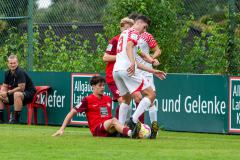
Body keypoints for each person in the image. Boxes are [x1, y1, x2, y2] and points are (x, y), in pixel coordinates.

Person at [113, 15, 166, 139]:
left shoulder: (123, 34)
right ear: (138, 23)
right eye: (144, 26)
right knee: (151, 95)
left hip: (117, 71)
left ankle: (122, 129)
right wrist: (132, 62)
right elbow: (129, 47)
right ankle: (133, 120)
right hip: (128, 69)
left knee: (126, 99)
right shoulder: (134, 32)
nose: (144, 30)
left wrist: (153, 70)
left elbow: (138, 55)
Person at [52, 76, 134, 138]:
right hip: (97, 130)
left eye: (103, 85)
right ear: (93, 86)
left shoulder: (108, 98)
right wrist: (61, 129)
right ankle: (131, 133)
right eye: (100, 85)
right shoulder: (87, 100)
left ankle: (134, 133)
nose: (102, 88)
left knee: (124, 120)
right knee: (114, 120)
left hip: (109, 127)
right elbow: (72, 112)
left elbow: (123, 103)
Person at [129, 13, 162, 132]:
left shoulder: (146, 36)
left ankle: (154, 127)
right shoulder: (129, 35)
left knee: (151, 98)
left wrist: (152, 58)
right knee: (132, 98)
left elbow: (158, 50)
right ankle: (130, 123)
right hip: (133, 70)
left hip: (146, 71)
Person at [103, 17, 134, 119]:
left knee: (127, 103)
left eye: (129, 29)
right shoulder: (115, 40)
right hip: (113, 77)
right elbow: (105, 57)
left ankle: (120, 125)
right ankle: (123, 126)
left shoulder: (132, 41)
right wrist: (120, 56)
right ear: (121, 28)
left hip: (125, 75)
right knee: (123, 101)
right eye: (125, 28)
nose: (127, 31)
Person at [0, 54, 36, 124]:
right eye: (11, 63)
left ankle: (16, 120)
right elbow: (4, 86)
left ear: (17, 63)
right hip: (15, 95)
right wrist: (2, 93)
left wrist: (7, 93)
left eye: (14, 63)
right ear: (8, 64)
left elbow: (21, 88)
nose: (12, 65)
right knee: (0, 95)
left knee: (17, 94)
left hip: (29, 94)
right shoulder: (7, 73)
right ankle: (0, 119)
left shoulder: (20, 72)